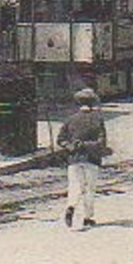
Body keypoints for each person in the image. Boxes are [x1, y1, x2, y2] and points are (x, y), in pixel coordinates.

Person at [57, 88, 109, 230]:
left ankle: (71, 206)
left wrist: (71, 146)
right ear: (93, 103)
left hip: (74, 158)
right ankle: (87, 218)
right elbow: (101, 142)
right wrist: (86, 145)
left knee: (74, 185)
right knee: (89, 188)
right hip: (91, 158)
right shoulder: (97, 119)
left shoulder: (70, 119)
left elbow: (60, 140)